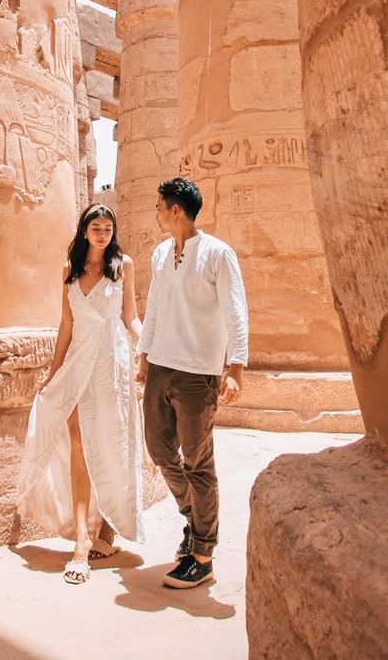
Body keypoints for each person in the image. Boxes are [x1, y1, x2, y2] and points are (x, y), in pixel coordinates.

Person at [16, 203, 144, 585]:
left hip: (112, 365)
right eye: (96, 228)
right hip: (78, 365)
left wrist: (151, 348)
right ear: (85, 231)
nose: (102, 234)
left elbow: (130, 317)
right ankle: (82, 542)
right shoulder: (68, 271)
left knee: (110, 443)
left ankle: (107, 532)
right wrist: (53, 374)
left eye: (108, 228)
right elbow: (66, 325)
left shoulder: (124, 266)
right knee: (79, 447)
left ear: (112, 232)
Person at [136, 177, 248, 589]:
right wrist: (145, 354)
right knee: (160, 450)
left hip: (198, 372)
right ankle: (194, 519)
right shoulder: (161, 253)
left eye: (160, 206)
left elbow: (235, 308)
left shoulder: (219, 254)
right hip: (161, 366)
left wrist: (235, 367)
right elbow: (155, 306)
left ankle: (202, 554)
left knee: (199, 463)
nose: (157, 213)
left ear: (175, 211)